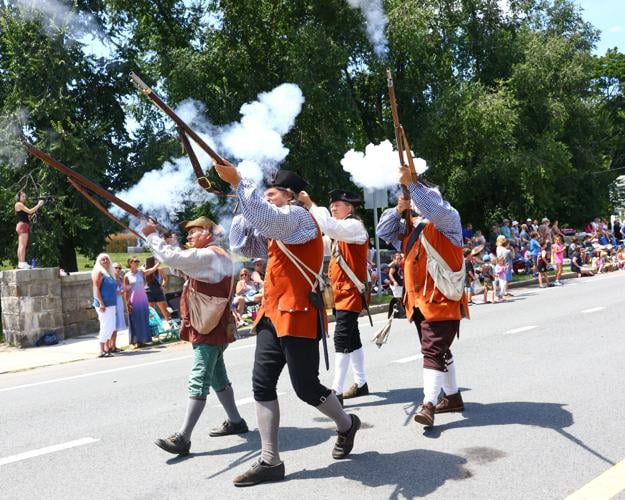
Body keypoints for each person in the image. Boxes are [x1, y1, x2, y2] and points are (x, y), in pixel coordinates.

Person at [216, 163, 361, 487]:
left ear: (290, 196)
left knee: (306, 388)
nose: (266, 197)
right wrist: (241, 198)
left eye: (272, 193)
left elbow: (266, 218)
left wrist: (241, 183)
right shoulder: (276, 224)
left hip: (298, 313)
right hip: (271, 313)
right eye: (264, 193)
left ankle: (346, 424)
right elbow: (240, 244)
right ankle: (270, 460)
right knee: (261, 384)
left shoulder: (296, 218)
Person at [142, 217, 248, 456]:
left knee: (199, 377)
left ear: (208, 234)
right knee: (218, 376)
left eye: (194, 232)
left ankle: (183, 437)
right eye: (187, 234)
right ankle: (236, 420)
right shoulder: (211, 255)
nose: (189, 236)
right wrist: (169, 243)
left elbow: (175, 260)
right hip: (211, 323)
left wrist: (151, 235)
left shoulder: (209, 255)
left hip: (207, 325)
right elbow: (179, 266)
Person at [377, 164, 467, 429]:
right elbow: (382, 232)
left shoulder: (448, 218)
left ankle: (429, 405)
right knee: (439, 350)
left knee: (431, 351)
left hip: (441, 300)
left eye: (422, 196)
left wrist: (413, 186)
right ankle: (453, 397)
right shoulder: (410, 228)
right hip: (418, 301)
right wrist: (399, 209)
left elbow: (434, 209)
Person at [303, 188, 370, 405]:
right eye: (331, 205)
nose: (332, 207)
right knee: (352, 338)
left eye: (337, 205)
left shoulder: (352, 226)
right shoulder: (339, 233)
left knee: (341, 339)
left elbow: (329, 226)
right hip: (341, 293)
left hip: (351, 292)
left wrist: (311, 204)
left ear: (349, 208)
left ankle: (337, 391)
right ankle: (361, 383)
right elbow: (318, 242)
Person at [124, 256, 158, 347]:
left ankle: (143, 340)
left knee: (144, 319)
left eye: (137, 261)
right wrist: (127, 303)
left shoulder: (141, 272)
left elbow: (151, 270)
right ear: (130, 263)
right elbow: (126, 291)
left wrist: (159, 262)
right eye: (134, 261)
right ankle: (136, 341)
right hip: (133, 300)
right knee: (135, 320)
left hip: (143, 299)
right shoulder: (127, 276)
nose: (136, 262)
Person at [92, 253, 117, 357]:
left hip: (111, 304)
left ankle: (106, 348)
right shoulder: (99, 272)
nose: (105, 261)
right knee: (105, 326)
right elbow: (96, 289)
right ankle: (101, 350)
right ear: (99, 261)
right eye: (103, 260)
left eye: (107, 259)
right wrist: (101, 303)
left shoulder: (109, 273)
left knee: (111, 327)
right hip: (103, 304)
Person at [14, 191, 44, 269]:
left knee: (21, 245)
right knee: (23, 246)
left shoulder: (21, 205)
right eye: (23, 196)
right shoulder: (19, 204)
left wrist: (32, 215)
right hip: (23, 225)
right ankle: (22, 262)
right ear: (19, 197)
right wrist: (39, 204)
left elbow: (27, 215)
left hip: (22, 225)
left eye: (25, 196)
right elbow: (30, 211)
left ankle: (21, 262)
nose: (25, 198)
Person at [144, 256, 171, 323]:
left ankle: (171, 327)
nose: (156, 262)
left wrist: (163, 285)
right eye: (155, 260)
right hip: (148, 292)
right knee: (151, 313)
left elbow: (165, 277)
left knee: (166, 312)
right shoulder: (145, 270)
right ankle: (154, 330)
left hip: (157, 291)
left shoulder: (159, 269)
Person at [111, 262, 127, 353]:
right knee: (112, 325)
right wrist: (119, 292)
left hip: (119, 302)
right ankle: (110, 346)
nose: (118, 269)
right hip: (113, 302)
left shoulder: (120, 278)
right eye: (116, 267)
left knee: (116, 325)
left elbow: (123, 290)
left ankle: (114, 345)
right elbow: (110, 292)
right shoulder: (111, 279)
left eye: (119, 268)